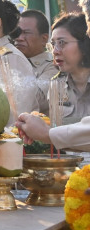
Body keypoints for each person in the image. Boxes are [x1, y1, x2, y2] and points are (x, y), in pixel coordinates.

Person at [17, 12, 90, 150]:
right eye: (53, 44)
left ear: (85, 44)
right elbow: (56, 135)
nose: (55, 51)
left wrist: (47, 133)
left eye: (62, 43)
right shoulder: (56, 85)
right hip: (69, 162)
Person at [15, 10, 60, 107]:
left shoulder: (53, 67)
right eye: (17, 32)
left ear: (44, 39)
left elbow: (35, 100)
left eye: (26, 33)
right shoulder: (9, 60)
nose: (19, 38)